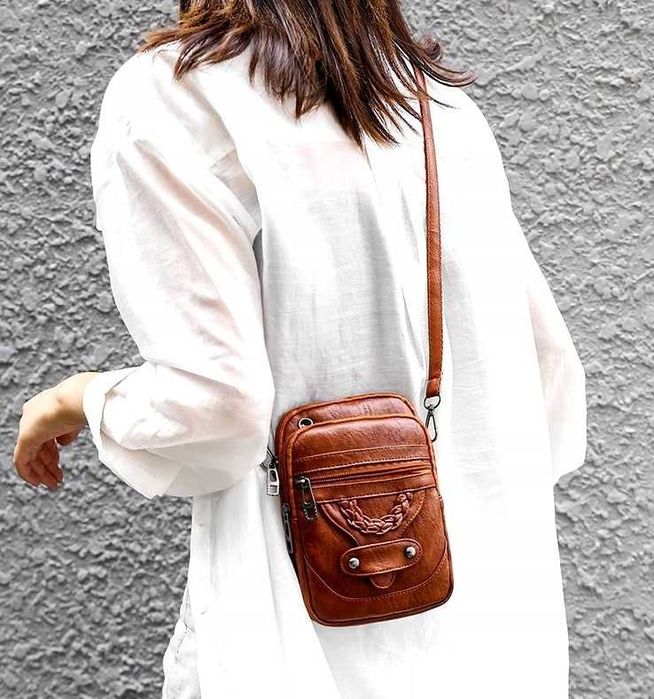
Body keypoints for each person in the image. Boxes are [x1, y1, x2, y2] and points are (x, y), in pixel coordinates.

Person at [12, 1, 587, 697]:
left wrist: (79, 398)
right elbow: (547, 380)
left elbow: (219, 407)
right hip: (494, 642)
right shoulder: (435, 104)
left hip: (297, 644)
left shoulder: (181, 95)